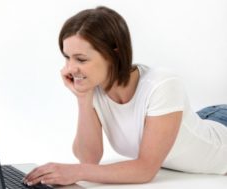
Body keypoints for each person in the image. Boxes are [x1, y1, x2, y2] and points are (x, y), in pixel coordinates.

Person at [23, 6, 227, 186]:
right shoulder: (94, 87)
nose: (70, 68)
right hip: (203, 121)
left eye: (81, 59)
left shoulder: (162, 85)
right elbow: (89, 159)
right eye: (67, 57)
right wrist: (83, 98)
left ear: (115, 53)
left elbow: (145, 170)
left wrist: (73, 172)